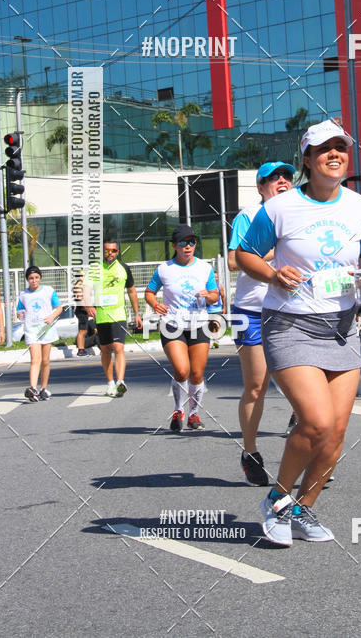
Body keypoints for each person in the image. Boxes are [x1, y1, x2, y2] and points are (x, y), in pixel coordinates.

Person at [236, 119, 361, 546]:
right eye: (324, 149)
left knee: (336, 433)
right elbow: (243, 254)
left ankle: (304, 509)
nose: (334, 154)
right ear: (308, 159)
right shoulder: (280, 208)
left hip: (342, 326)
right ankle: (278, 501)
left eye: (340, 147)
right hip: (289, 323)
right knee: (317, 421)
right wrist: (271, 272)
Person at [228, 161, 295, 486]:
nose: (281, 181)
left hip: (294, 310)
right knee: (257, 385)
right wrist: (271, 252)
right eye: (272, 178)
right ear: (260, 187)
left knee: (304, 385)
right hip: (252, 311)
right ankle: (250, 453)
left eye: (286, 177)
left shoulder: (302, 214)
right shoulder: (249, 216)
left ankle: (307, 450)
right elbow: (232, 260)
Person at [145, 224, 219, 431]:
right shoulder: (164, 269)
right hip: (172, 325)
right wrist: (155, 304)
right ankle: (179, 409)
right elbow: (149, 292)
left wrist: (209, 296)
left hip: (199, 324)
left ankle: (194, 415)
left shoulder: (205, 268)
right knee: (181, 369)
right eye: (183, 243)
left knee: (196, 373)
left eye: (192, 242)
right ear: (174, 245)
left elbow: (215, 295)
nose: (188, 246)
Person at [85, 239, 142, 397]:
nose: (110, 253)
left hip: (118, 314)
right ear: (102, 252)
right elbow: (86, 288)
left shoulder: (124, 268)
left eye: (113, 250)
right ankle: (110, 382)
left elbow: (131, 291)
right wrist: (88, 305)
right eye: (107, 250)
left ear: (118, 252)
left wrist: (137, 313)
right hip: (101, 315)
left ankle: (120, 381)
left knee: (118, 347)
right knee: (105, 349)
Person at [17, 266, 63, 401]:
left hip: (46, 330)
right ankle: (33, 388)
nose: (34, 280)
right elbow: (20, 311)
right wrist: (20, 314)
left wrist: (51, 317)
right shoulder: (23, 295)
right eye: (31, 278)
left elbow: (59, 307)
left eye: (36, 277)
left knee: (45, 361)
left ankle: (43, 388)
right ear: (27, 280)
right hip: (32, 331)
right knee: (35, 360)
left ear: (40, 278)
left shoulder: (48, 291)